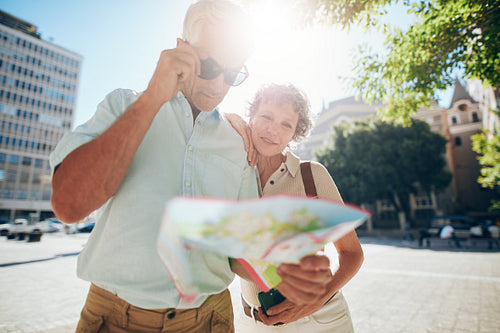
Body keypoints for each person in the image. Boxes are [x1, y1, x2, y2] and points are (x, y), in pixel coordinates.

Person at [50, 1, 259, 332]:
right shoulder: (123, 105)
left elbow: (242, 250)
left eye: (233, 73)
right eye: (208, 65)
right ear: (180, 49)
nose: (219, 84)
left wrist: (282, 276)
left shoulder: (238, 142)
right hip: (115, 318)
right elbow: (68, 205)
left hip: (211, 318)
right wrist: (151, 99)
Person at [227, 84, 364, 332]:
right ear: (251, 118)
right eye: (266, 117)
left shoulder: (312, 176)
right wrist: (228, 118)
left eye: (286, 125)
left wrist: (316, 300)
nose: (273, 130)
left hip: (320, 320)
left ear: (294, 134)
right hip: (253, 324)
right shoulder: (231, 177)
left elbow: (352, 254)